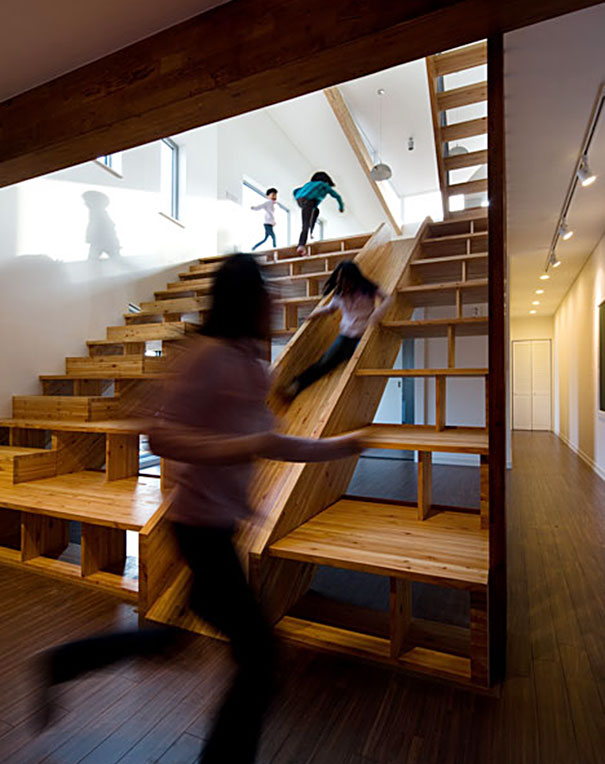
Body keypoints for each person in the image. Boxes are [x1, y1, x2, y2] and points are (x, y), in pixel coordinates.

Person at [34, 253, 363, 764]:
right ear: (245, 300)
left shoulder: (251, 365)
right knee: (261, 657)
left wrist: (339, 446)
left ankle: (61, 663)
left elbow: (270, 441)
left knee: (169, 641)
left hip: (219, 526)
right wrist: (238, 447)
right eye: (267, 293)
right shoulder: (206, 357)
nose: (276, 302)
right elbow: (161, 436)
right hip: (198, 528)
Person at [281, 260, 390, 399]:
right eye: (340, 281)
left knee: (357, 365)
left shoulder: (367, 289)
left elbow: (387, 298)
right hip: (346, 335)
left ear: (353, 279)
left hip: (363, 335)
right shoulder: (340, 294)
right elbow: (329, 309)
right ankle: (296, 386)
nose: (343, 285)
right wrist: (312, 315)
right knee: (324, 363)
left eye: (345, 282)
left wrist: (377, 314)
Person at [293, 171, 344, 255]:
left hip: (300, 200)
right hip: (308, 201)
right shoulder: (323, 185)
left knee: (315, 211)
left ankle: (311, 232)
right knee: (306, 224)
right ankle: (301, 245)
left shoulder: (309, 184)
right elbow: (337, 196)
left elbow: (295, 191)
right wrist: (341, 207)